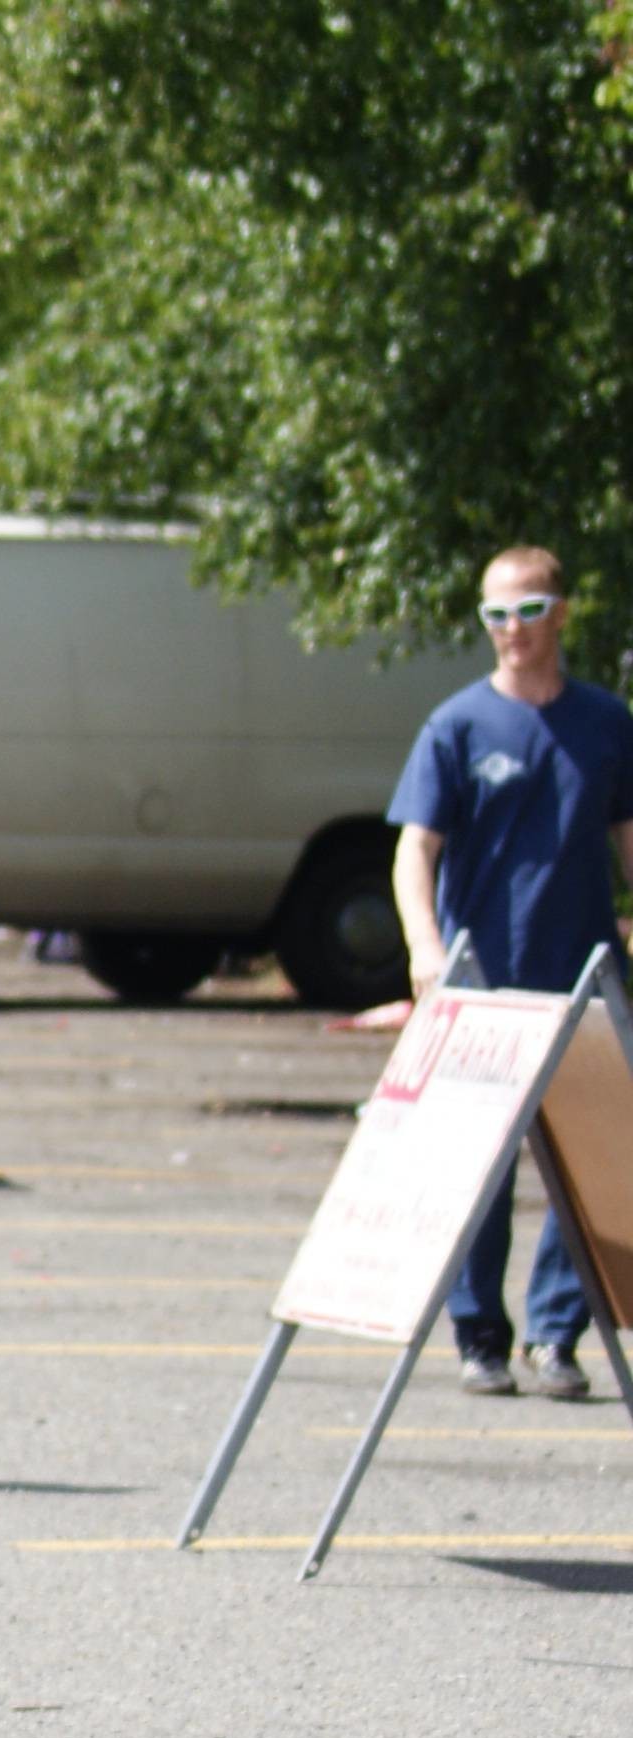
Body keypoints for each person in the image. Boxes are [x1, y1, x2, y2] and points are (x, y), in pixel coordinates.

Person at [390, 545, 633, 1400]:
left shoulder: (606, 723)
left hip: (582, 982)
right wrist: (425, 946)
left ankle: (558, 1335)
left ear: (560, 613)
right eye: (496, 614)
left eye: (529, 610)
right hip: (483, 981)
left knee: (591, 1160)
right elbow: (414, 852)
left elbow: (628, 841)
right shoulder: (456, 726)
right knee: (480, 1168)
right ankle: (479, 1337)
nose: (512, 631)